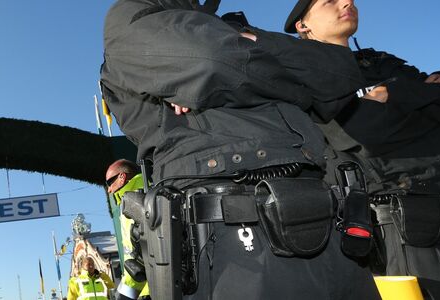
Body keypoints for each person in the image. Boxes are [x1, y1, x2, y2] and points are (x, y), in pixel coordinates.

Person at [100, 0, 381, 299]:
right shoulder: (130, 16)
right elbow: (213, 59)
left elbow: (339, 74)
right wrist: (300, 87)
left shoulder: (228, 27)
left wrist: (248, 47)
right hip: (234, 239)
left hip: (325, 221)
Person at [284, 0, 440, 292]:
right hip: (391, 223)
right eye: (329, 1)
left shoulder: (380, 63)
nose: (347, 2)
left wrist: (390, 91)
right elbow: (359, 134)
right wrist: (414, 106)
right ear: (302, 24)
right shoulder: (299, 76)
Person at [105, 159, 149, 300]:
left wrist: (126, 294)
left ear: (122, 177)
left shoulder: (133, 202)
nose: (109, 189)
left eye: (109, 183)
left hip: (146, 288)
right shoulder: (148, 191)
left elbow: (138, 254)